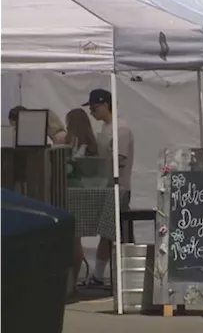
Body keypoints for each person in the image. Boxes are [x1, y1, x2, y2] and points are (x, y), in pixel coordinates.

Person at [81, 88, 135, 287]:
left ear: (104, 105)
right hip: (107, 188)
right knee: (107, 233)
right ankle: (99, 275)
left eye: (94, 108)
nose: (92, 113)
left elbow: (119, 160)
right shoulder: (106, 128)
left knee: (114, 234)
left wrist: (96, 163)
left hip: (119, 188)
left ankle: (117, 275)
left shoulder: (120, 128)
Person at [64, 108, 99, 294]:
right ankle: (73, 283)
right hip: (87, 195)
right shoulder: (92, 145)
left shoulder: (73, 145)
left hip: (73, 194)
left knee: (73, 241)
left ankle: (71, 284)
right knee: (75, 241)